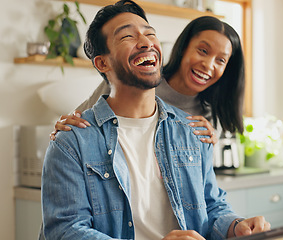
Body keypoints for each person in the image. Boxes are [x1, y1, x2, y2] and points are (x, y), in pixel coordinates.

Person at [40, 1, 270, 239]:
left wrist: (236, 226)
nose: (146, 41)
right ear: (102, 63)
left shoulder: (193, 130)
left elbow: (211, 207)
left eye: (151, 34)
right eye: (128, 36)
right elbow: (65, 231)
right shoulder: (71, 141)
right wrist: (68, 130)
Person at [51, 15, 246, 145]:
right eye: (202, 51)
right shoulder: (136, 78)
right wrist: (64, 128)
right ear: (184, 47)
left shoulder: (210, 114)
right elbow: (79, 119)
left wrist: (210, 144)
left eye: (220, 60)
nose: (208, 65)